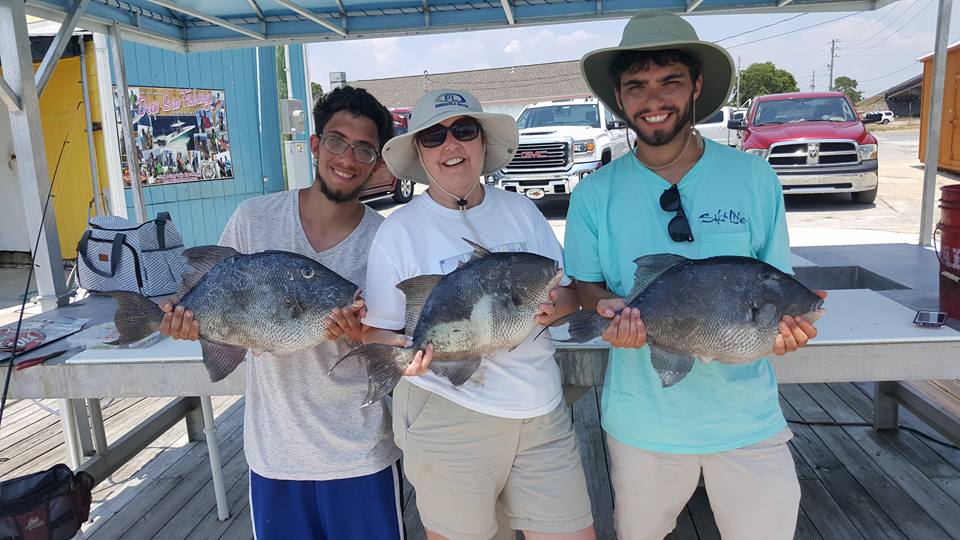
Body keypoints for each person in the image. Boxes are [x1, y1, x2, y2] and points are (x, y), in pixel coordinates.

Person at [563, 12, 826, 540]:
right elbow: (585, 286)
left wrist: (787, 331)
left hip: (748, 420)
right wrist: (605, 308)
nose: (653, 99)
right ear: (619, 98)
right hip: (642, 424)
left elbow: (772, 280)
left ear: (697, 86)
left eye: (670, 82)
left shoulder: (754, 176)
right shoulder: (594, 193)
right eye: (636, 86)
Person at [159, 86, 403, 540]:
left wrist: (362, 333)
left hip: (359, 453)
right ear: (315, 145)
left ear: (376, 163)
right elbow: (215, 298)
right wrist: (188, 324)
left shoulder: (386, 240)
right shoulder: (253, 218)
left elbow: (397, 353)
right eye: (336, 141)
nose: (347, 158)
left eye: (363, 149)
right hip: (275, 455)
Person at [361, 89, 595, 540]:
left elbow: (569, 295)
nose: (450, 144)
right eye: (433, 136)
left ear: (483, 141)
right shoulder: (399, 232)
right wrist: (403, 360)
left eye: (464, 130)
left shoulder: (522, 211)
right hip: (449, 415)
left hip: (541, 412)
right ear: (419, 152)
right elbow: (377, 332)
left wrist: (552, 309)